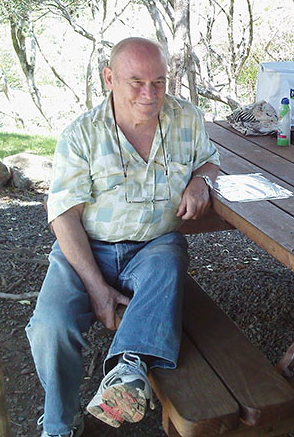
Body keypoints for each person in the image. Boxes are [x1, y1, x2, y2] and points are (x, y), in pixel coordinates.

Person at [26, 38, 220, 437]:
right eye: (136, 82)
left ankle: (128, 371)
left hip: (154, 245)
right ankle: (59, 422)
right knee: (50, 326)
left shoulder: (186, 118)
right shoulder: (81, 134)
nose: (150, 93)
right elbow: (64, 217)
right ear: (109, 78)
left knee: (169, 260)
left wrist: (202, 181)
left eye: (159, 82)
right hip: (86, 247)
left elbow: (209, 160)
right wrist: (97, 288)